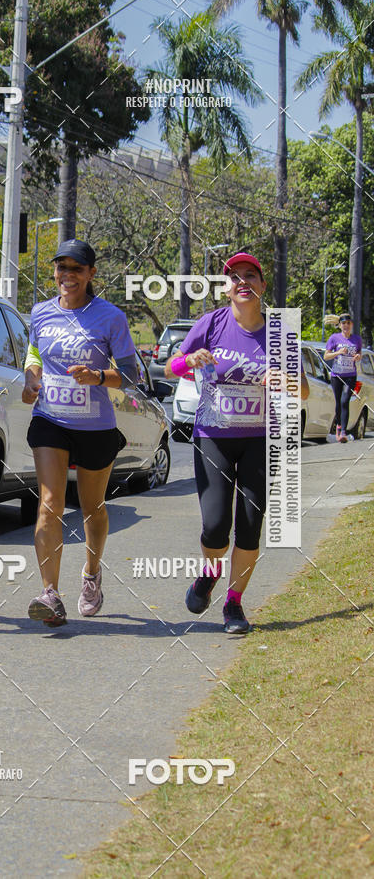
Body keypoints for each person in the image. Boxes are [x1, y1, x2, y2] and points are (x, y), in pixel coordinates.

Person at [166, 253, 309, 634]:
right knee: (215, 527)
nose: (243, 281)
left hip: (260, 439)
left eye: (251, 276)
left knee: (249, 526)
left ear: (263, 287)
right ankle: (208, 576)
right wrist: (190, 360)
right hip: (214, 435)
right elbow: (171, 366)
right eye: (235, 277)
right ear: (226, 288)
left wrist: (283, 381)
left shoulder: (280, 333)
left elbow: (305, 390)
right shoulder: (210, 323)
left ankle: (234, 603)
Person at [22, 239, 137, 627]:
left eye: (76, 269)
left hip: (95, 425)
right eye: (61, 267)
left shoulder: (110, 317)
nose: (67, 275)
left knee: (93, 508)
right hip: (50, 418)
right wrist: (30, 379)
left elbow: (132, 374)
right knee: (50, 502)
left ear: (90, 274)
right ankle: (50, 593)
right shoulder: (40, 313)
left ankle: (91, 573)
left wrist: (98, 376)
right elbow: (34, 354)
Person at [323, 313, 362, 442]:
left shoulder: (357, 339)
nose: (346, 326)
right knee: (339, 402)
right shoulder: (334, 338)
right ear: (340, 325)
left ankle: (344, 431)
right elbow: (326, 356)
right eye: (343, 323)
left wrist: (358, 357)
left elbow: (359, 353)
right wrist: (339, 352)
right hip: (337, 376)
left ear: (351, 325)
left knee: (345, 401)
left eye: (348, 323)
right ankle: (338, 426)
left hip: (350, 375)